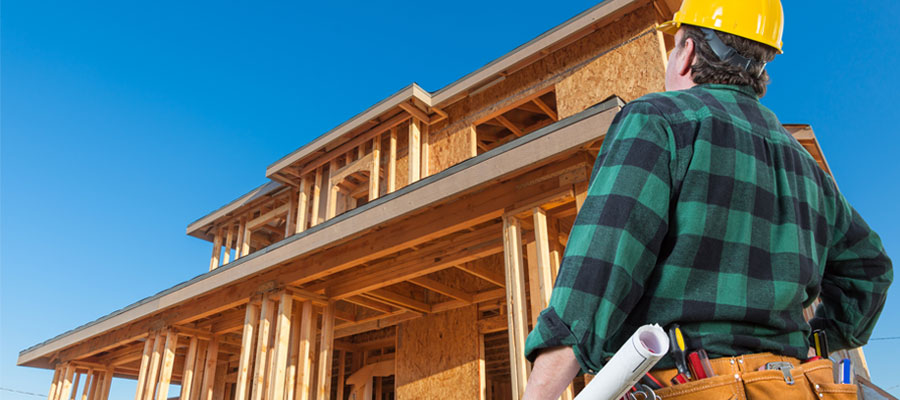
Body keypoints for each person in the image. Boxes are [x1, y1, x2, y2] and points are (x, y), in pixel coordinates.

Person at [522, 0, 893, 399]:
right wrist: (816, 340)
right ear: (760, 68)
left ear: (689, 54)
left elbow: (595, 276)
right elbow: (870, 270)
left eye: (674, 43)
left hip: (687, 386)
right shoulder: (803, 164)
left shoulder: (658, 120)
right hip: (791, 387)